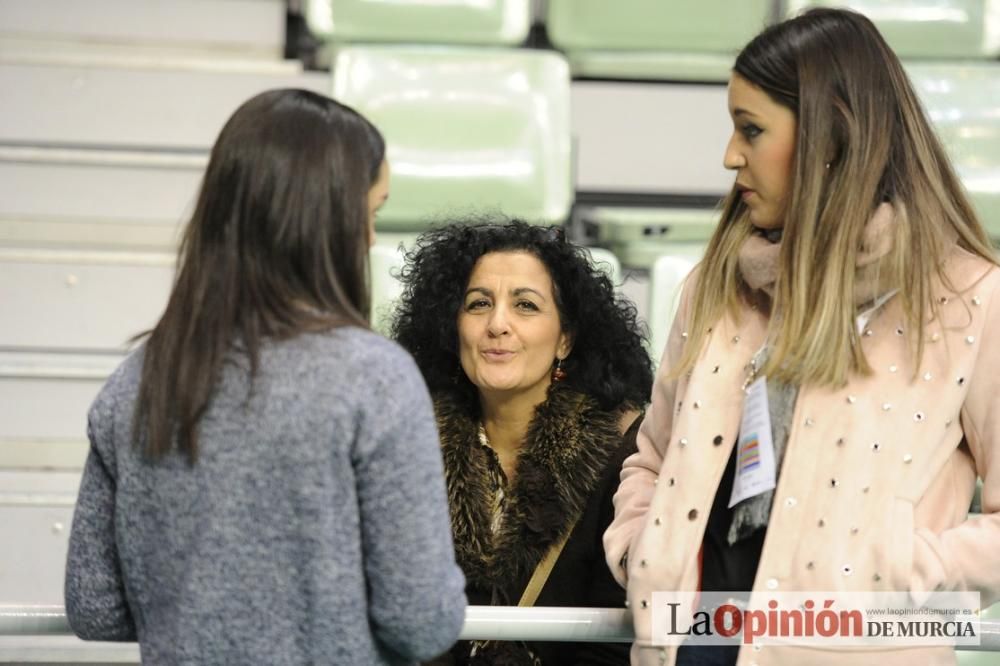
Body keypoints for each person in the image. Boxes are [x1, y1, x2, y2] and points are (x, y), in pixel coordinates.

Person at [604, 8, 1000, 666]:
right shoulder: (714, 284)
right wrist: (643, 547)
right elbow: (651, 457)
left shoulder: (973, 300)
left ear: (831, 134)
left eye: (751, 129)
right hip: (691, 648)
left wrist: (897, 570)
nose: (731, 156)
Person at [64, 88, 467, 665]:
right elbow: (420, 621)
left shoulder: (139, 379)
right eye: (369, 214)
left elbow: (95, 609)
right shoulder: (374, 380)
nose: (372, 239)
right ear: (324, 220)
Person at [391, 220, 654, 664]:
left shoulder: (622, 449)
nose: (497, 325)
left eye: (525, 306)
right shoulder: (407, 443)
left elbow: (618, 637)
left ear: (565, 339)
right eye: (478, 305)